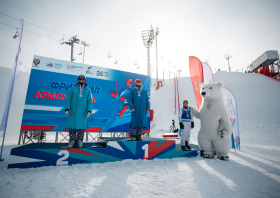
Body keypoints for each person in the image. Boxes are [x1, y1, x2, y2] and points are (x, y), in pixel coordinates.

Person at [64, 74, 93, 148]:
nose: (81, 80)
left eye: (83, 79)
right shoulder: (73, 88)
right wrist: (67, 108)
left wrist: (89, 110)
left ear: (85, 80)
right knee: (72, 127)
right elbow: (68, 99)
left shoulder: (87, 90)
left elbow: (90, 102)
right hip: (73, 111)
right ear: (78, 80)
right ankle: (72, 141)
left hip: (82, 112)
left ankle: (80, 141)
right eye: (80, 79)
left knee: (81, 128)